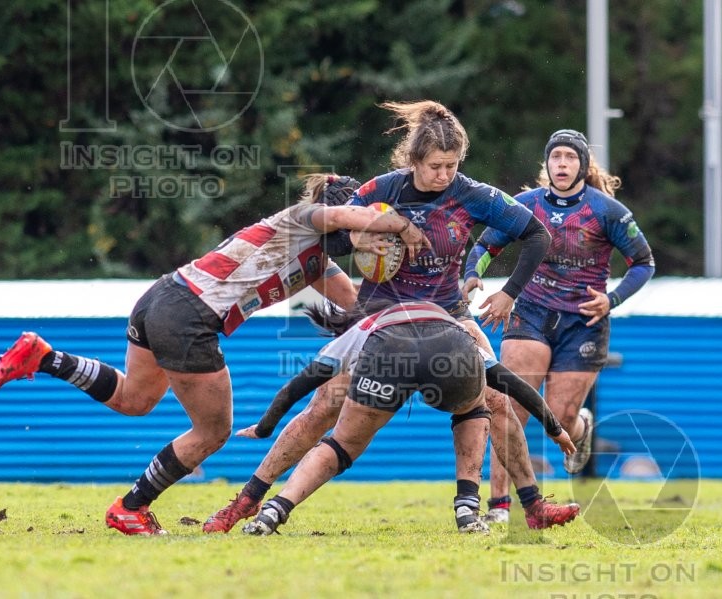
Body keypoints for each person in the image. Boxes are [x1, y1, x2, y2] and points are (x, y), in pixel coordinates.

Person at [203, 101, 580, 534]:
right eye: (435, 166)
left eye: (452, 166)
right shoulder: (382, 190)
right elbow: (328, 238)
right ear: (413, 160)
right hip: (381, 313)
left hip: (447, 311)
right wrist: (359, 238)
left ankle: (532, 506)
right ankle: (247, 499)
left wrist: (510, 293)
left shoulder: (474, 194)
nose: (444, 175)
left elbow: (537, 234)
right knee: (324, 405)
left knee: (496, 399)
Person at [0, 174, 431, 536]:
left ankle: (45, 357)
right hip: (189, 315)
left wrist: (412, 307)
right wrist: (400, 226)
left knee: (134, 399)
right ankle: (131, 508)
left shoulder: (316, 262)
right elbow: (340, 214)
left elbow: (357, 309)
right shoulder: (301, 219)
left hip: (163, 297)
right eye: (356, 224)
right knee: (214, 430)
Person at [233, 301, 576, 535]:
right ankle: (467, 509)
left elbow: (300, 383)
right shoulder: (458, 329)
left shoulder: (362, 328)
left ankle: (274, 509)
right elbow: (513, 384)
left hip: (387, 356)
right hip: (448, 353)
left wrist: (265, 426)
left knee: (342, 444)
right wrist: (555, 429)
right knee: (475, 408)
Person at [462, 129, 655, 523]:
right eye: (556, 157)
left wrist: (612, 299)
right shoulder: (525, 205)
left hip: (583, 323)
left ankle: (581, 427)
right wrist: (473, 273)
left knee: (561, 418)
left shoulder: (607, 211)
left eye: (570, 157)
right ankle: (499, 506)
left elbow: (644, 263)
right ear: (546, 163)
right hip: (531, 314)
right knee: (508, 409)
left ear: (583, 165)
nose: (562, 164)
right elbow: (485, 245)